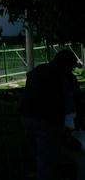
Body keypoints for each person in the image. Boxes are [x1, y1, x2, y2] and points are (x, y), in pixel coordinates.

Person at [21, 49, 82, 180]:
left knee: (40, 155)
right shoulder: (64, 77)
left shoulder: (38, 71)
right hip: (47, 121)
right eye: (71, 67)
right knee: (47, 159)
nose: (72, 70)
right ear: (67, 65)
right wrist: (70, 127)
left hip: (28, 117)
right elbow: (71, 104)